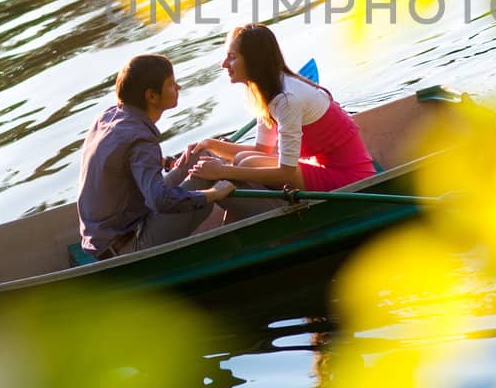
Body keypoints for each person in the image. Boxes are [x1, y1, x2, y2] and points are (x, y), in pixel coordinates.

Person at [77, 54, 235, 258]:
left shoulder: (109, 116)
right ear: (151, 96)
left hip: (105, 237)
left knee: (200, 156)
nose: (178, 87)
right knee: (204, 177)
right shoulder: (141, 139)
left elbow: (121, 161)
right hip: (127, 247)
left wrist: (166, 162)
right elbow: (159, 201)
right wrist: (215, 193)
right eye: (171, 84)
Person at [191, 24, 375, 195]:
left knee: (247, 162)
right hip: (320, 168)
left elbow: (286, 172)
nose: (224, 64)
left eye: (232, 57)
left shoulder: (287, 100)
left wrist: (224, 171)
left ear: (254, 62)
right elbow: (263, 150)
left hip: (352, 179)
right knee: (243, 158)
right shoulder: (267, 91)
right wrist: (210, 145)